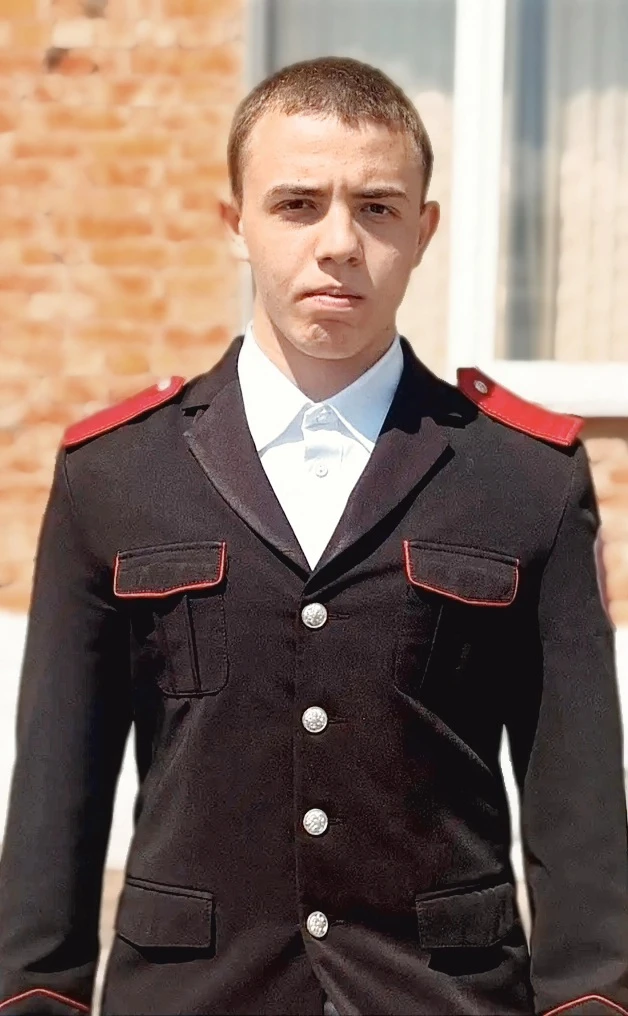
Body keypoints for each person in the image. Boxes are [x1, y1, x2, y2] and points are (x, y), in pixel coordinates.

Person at [0, 55, 626, 1016]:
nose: (339, 243)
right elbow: (56, 795)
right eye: (297, 204)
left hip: (441, 998)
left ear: (424, 230)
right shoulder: (116, 474)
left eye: (377, 208)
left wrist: (592, 1001)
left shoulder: (525, 477)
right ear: (234, 224)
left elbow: (578, 801)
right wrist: (38, 996)